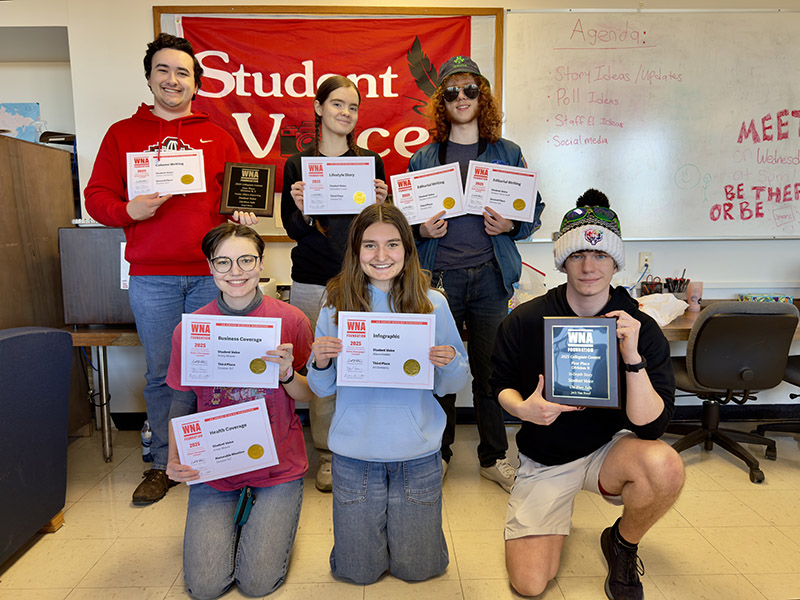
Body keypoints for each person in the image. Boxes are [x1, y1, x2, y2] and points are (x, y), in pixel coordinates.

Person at [84, 33, 256, 504]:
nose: (173, 79)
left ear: (196, 82)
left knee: (215, 369)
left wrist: (240, 214)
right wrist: (129, 211)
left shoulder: (218, 136)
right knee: (162, 373)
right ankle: (162, 464)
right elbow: (96, 197)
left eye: (182, 72)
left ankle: (220, 457)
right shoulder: (123, 134)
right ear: (149, 77)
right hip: (152, 279)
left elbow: (239, 196)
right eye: (163, 70)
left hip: (211, 274)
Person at [490, 189, 685, 599]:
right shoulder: (526, 319)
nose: (589, 265)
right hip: (546, 454)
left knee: (664, 466)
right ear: (563, 261)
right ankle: (551, 518)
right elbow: (498, 386)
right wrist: (523, 409)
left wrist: (631, 358)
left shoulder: (638, 326)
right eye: (577, 254)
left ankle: (622, 543)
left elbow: (652, 426)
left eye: (600, 255)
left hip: (609, 450)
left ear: (615, 262)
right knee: (528, 584)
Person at [307, 203, 469, 584]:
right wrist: (321, 362)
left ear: (408, 249)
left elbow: (451, 385)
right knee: (356, 573)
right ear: (355, 251)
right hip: (354, 452)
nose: (382, 256)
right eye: (370, 245)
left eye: (393, 244)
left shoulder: (433, 303)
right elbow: (321, 388)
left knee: (419, 570)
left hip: (416, 451)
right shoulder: (335, 305)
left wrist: (448, 364)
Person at [407, 55, 545, 491]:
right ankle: (439, 453)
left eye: (469, 90)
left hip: (490, 277)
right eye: (451, 91)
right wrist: (419, 230)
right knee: (440, 369)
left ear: (481, 96)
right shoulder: (423, 157)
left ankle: (493, 457)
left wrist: (512, 224)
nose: (461, 97)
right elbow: (404, 223)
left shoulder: (507, 152)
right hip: (439, 280)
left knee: (491, 371)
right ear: (441, 101)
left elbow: (532, 212)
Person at [165, 223, 313, 599]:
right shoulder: (191, 330)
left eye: (246, 260)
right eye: (224, 262)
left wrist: (285, 373)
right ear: (210, 267)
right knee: (206, 587)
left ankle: (260, 521)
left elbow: (310, 394)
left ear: (261, 263)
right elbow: (182, 400)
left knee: (257, 584)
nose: (236, 272)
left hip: (277, 466)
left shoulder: (291, 321)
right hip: (214, 467)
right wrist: (173, 456)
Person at [281, 75, 388, 491]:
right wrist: (305, 211)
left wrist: (383, 202)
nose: (346, 113)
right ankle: (326, 456)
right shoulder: (297, 164)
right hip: (312, 280)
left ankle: (363, 446)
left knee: (364, 365)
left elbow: (378, 230)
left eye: (353, 106)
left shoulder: (371, 162)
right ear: (318, 107)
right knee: (321, 367)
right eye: (338, 104)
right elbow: (294, 230)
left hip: (362, 281)